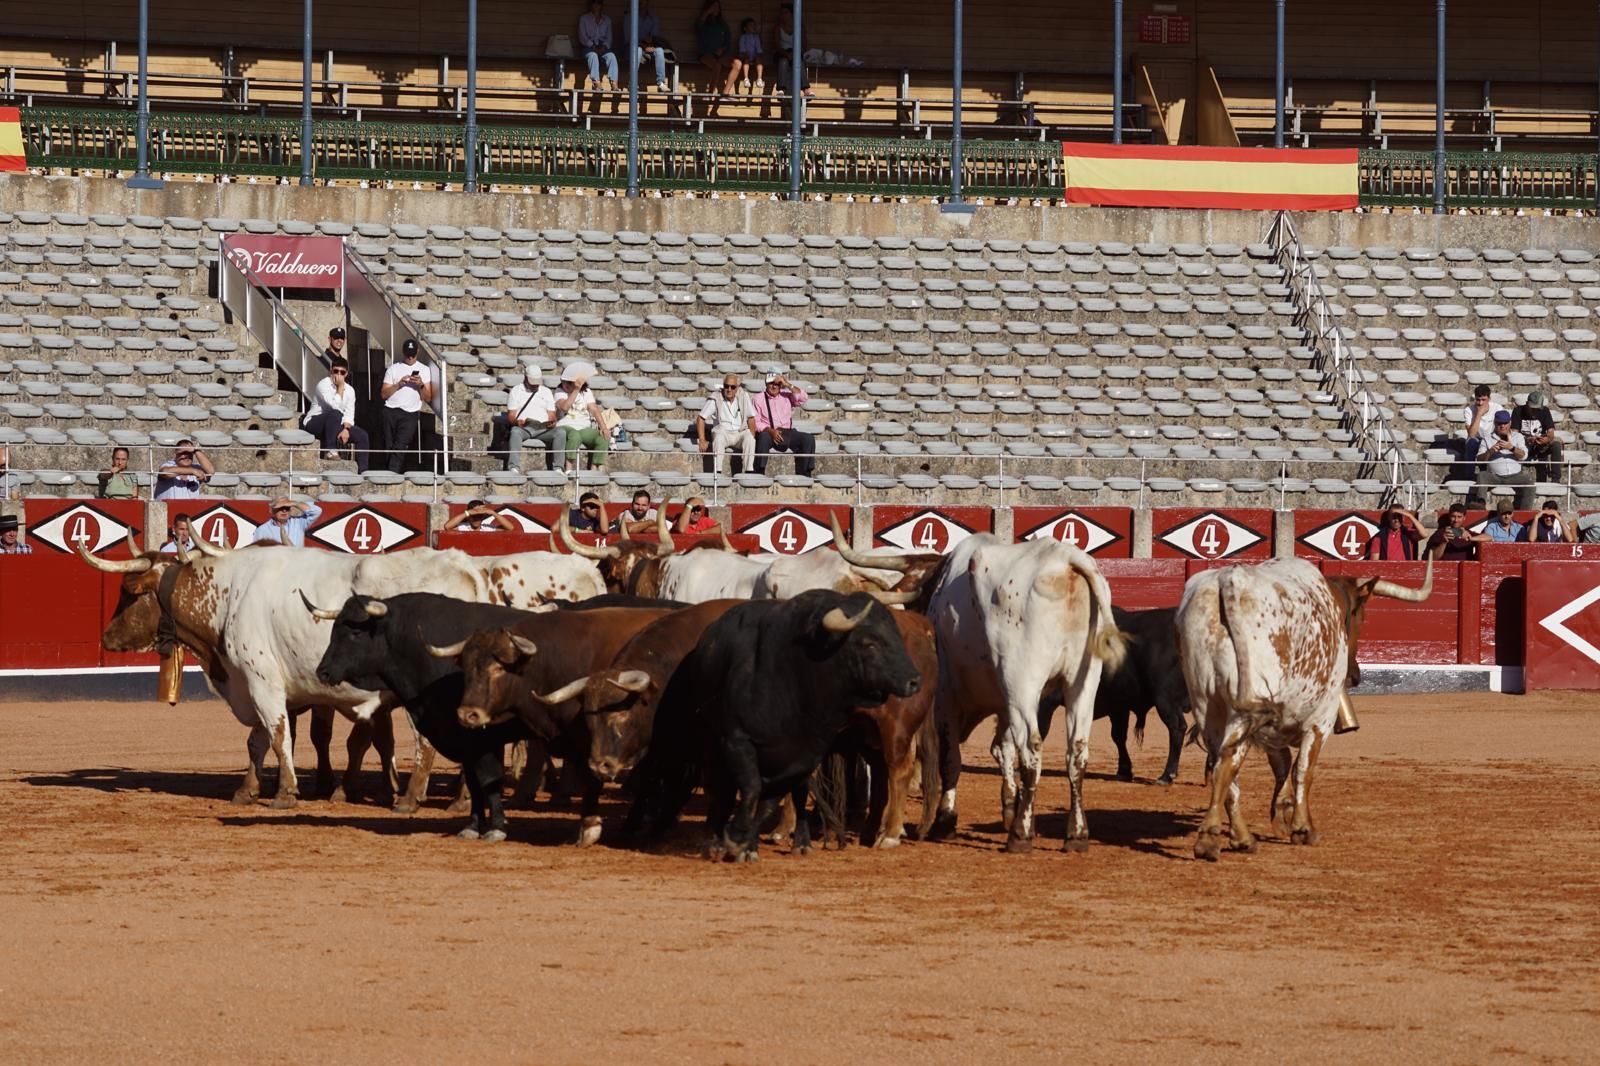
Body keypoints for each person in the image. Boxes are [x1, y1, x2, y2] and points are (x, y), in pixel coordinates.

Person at [305, 358, 371, 472]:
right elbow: (334, 406)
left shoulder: (350, 391)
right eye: (336, 371)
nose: (338, 375)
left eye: (342, 372)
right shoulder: (323, 385)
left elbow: (349, 414)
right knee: (335, 413)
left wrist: (346, 429)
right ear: (331, 371)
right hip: (315, 422)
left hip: (337, 424)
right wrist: (340, 388)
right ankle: (331, 450)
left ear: (346, 374)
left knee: (362, 436)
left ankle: (363, 471)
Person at [381, 338, 434, 474]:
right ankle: (389, 473)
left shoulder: (424, 370)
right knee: (388, 446)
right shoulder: (393, 368)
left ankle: (391, 475)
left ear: (417, 352)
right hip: (390, 411)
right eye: (407, 354)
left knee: (400, 445)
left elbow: (428, 397)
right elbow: (384, 394)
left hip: (410, 413)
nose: (410, 357)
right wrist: (399, 384)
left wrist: (420, 384)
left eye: (412, 354)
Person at [1465, 410, 1535, 510]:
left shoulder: (1518, 437)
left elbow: (1524, 456)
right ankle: (1480, 505)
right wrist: (1491, 451)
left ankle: (1525, 512)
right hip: (1495, 476)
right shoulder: (1487, 439)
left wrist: (1512, 448)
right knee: (1482, 475)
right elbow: (1479, 460)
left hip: (1515, 476)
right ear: (1495, 423)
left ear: (1510, 423)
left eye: (1505, 423)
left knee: (1529, 481)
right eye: (1499, 423)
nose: (1502, 426)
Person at [751, 371, 816, 477]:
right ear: (766, 384)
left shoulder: (787, 396)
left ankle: (805, 474)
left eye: (777, 384)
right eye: (771, 383)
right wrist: (770, 431)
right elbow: (755, 422)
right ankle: (759, 471)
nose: (774, 386)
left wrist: (787, 384)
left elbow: (804, 398)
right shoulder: (758, 398)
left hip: (787, 432)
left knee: (808, 438)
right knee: (763, 437)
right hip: (769, 432)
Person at [698, 373, 757, 475]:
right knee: (719, 435)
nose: (729, 389)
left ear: (737, 388)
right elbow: (700, 418)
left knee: (749, 436)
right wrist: (702, 440)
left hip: (739, 433)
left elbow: (751, 418)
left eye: (732, 387)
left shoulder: (744, 396)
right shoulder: (716, 398)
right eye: (726, 386)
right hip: (723, 433)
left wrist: (752, 435)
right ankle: (718, 471)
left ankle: (749, 471)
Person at [553, 363, 608, 473]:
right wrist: (575, 390)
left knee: (602, 438)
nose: (565, 386)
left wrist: (604, 427)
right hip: (565, 425)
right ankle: (568, 468)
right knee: (575, 435)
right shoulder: (559, 392)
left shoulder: (586, 392)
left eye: (568, 384)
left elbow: (594, 408)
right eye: (563, 383)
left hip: (584, 427)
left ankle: (594, 468)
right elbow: (564, 407)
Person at [506, 364, 558, 473]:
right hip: (524, 427)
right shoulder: (516, 390)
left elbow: (552, 414)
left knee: (561, 433)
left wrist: (552, 422)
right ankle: (513, 466)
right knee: (515, 432)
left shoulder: (546, 391)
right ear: (525, 378)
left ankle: (558, 467)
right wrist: (516, 422)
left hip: (543, 428)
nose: (535, 385)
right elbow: (511, 415)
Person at [1510, 391, 1563, 482]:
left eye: (1537, 409)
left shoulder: (1545, 411)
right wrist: (1527, 439)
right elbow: (1514, 434)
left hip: (1540, 444)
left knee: (1557, 445)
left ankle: (1555, 480)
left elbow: (1551, 432)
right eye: (1533, 408)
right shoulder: (1518, 411)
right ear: (1527, 404)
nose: (1535, 411)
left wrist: (1546, 439)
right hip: (1523, 444)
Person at [695, 0, 740, 99]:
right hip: (705, 54)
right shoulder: (704, 21)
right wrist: (707, 13)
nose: (716, 9)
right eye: (713, 6)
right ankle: (710, 94)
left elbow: (727, 41)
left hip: (720, 55)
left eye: (717, 7)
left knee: (737, 63)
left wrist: (722, 49)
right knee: (717, 66)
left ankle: (725, 93)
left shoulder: (722, 24)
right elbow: (697, 27)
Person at [628, 0, 670, 91]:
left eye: (645, 1)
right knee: (637, 50)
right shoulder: (629, 17)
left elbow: (654, 36)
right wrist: (643, 44)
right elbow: (628, 38)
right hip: (632, 48)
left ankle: (661, 82)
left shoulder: (652, 18)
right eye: (640, 2)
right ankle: (632, 82)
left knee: (659, 50)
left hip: (647, 47)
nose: (643, 3)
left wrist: (650, 42)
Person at [579, 0, 620, 90]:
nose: (596, 5)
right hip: (588, 47)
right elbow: (582, 37)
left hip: (603, 47)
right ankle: (596, 82)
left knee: (611, 56)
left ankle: (614, 83)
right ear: (591, 4)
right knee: (593, 55)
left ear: (602, 5)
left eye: (599, 3)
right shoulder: (584, 19)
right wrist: (592, 46)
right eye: (594, 2)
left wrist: (604, 47)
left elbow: (609, 37)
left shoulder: (607, 20)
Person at [253, 496, 323, 547]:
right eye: (280, 508)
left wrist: (294, 503)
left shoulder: (298, 523)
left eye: (287, 507)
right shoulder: (262, 530)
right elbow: (258, 553)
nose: (284, 511)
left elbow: (317, 511)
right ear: (272, 510)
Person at [1460, 383, 1503, 466]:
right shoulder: (1469, 410)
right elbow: (1472, 435)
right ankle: (1469, 476)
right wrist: (1479, 414)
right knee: (1471, 442)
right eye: (1478, 400)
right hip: (1477, 439)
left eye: (1483, 400)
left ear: (1489, 399)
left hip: (1492, 438)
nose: (1480, 403)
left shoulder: (1497, 408)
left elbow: (1502, 429)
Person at [773, 2, 811, 95]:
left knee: (799, 61)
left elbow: (804, 44)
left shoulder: (799, 27)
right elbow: (777, 45)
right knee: (783, 61)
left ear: (792, 14)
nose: (783, 15)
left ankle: (806, 89)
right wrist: (786, 54)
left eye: (785, 13)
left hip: (796, 52)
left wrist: (796, 54)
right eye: (781, 13)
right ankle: (781, 89)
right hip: (782, 53)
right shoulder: (778, 28)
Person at [445, 499, 516, 533]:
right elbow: (447, 527)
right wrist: (467, 513)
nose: (476, 519)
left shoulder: (488, 528)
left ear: (482, 517)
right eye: (474, 516)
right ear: (469, 517)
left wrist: (494, 513)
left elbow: (510, 528)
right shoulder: (463, 527)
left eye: (479, 516)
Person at [736, 17, 764, 93]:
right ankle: (746, 79)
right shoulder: (743, 37)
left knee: (759, 61)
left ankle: (759, 79)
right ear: (745, 28)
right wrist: (745, 54)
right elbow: (742, 48)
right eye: (751, 25)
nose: (753, 27)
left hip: (754, 56)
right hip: (745, 55)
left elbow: (758, 48)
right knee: (746, 61)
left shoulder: (756, 37)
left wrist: (759, 55)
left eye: (754, 25)